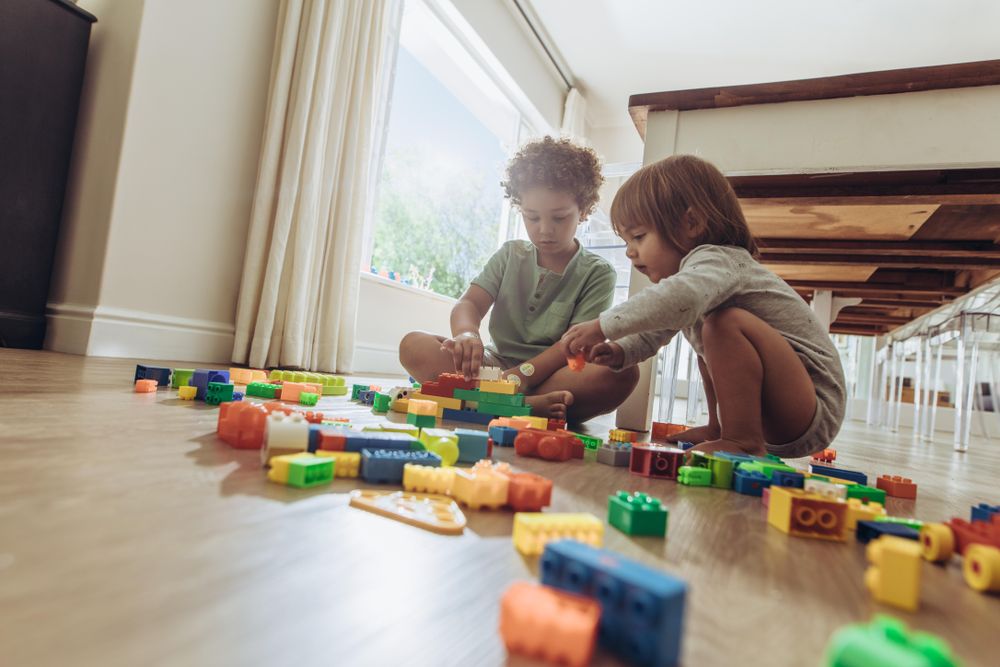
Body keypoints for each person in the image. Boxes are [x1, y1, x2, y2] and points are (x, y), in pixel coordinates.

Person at [562, 154, 846, 457]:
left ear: (692, 223)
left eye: (639, 237)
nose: (631, 252)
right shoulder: (694, 282)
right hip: (783, 410)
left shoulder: (719, 261)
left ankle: (741, 440)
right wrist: (620, 350)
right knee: (709, 342)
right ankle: (721, 429)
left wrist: (602, 325)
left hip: (810, 408)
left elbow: (678, 298)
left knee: (723, 324)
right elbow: (656, 328)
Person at [399, 137, 639, 422]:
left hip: (550, 377)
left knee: (622, 373)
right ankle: (519, 405)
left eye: (560, 218)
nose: (545, 230)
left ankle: (483, 402)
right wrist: (467, 335)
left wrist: (522, 376)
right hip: (492, 368)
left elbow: (573, 348)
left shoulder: (598, 273)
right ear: (520, 208)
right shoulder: (510, 254)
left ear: (584, 210)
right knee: (413, 345)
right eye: (532, 217)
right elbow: (470, 304)